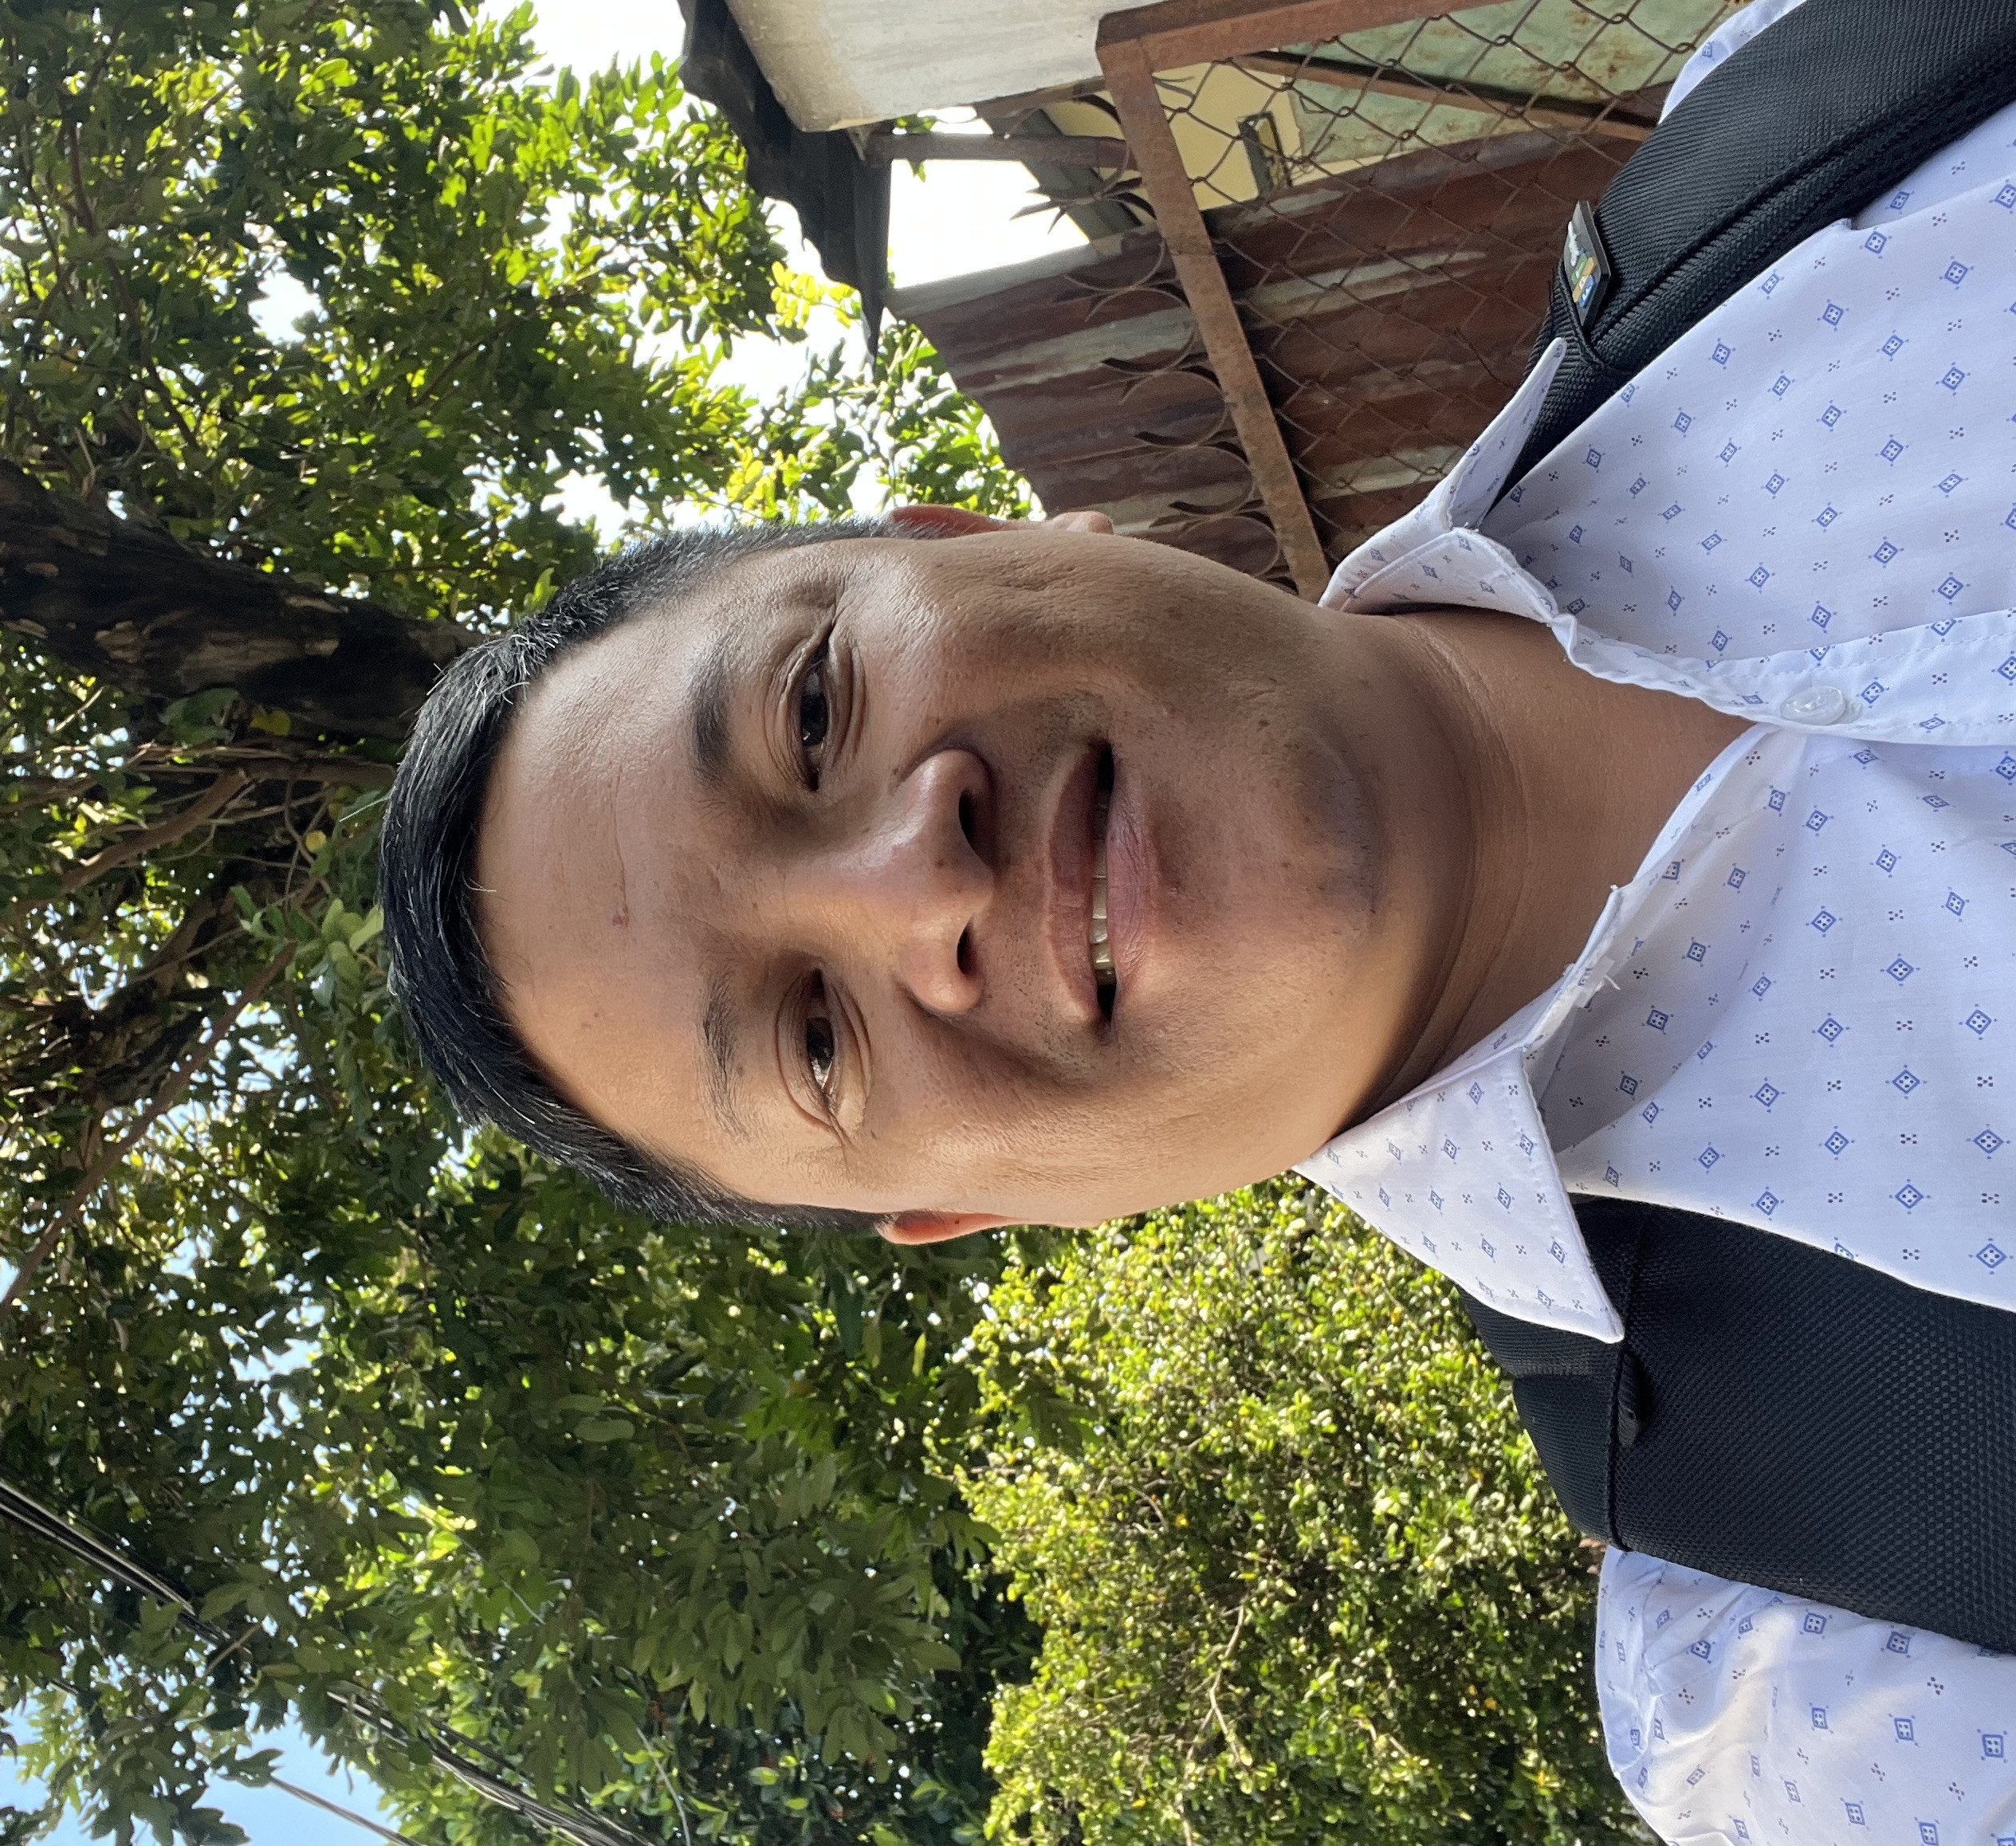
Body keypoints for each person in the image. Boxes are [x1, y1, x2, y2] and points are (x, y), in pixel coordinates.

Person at [380, 2, 2016, 1838]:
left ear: (962, 534)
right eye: (814, 1039)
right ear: (977, 1211)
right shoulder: (1830, 1682)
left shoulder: (1812, 108)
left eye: (813, 712)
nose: (917, 881)